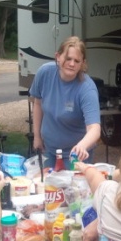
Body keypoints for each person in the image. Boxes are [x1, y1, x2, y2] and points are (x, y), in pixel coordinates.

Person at [29, 36, 100, 168]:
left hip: (75, 156)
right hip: (49, 150)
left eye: (77, 61)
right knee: (47, 187)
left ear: (82, 63)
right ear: (58, 56)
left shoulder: (86, 88)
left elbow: (94, 129)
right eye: (68, 58)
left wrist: (81, 146)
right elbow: (38, 103)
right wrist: (37, 136)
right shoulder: (45, 73)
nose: (72, 64)